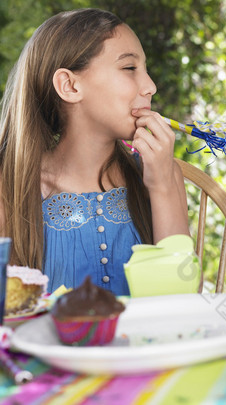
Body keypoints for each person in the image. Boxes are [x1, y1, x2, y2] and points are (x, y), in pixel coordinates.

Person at [0, 9, 190, 295]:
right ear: (70, 86)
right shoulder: (11, 187)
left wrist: (162, 186)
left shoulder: (162, 174)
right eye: (129, 68)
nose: (150, 86)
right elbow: (12, 316)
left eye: (145, 70)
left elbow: (181, 299)